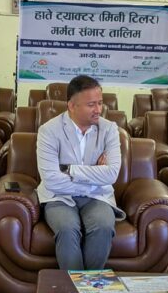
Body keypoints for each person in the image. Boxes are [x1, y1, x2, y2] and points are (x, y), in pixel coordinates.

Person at [36, 75, 124, 271]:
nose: (98, 109)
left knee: (103, 226)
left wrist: (70, 169)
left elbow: (111, 175)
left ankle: (90, 285)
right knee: (67, 228)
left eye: (100, 103)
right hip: (59, 196)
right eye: (91, 104)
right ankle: (73, 287)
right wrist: (95, 176)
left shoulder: (109, 129)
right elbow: (52, 181)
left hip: (97, 196)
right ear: (71, 106)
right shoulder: (49, 131)